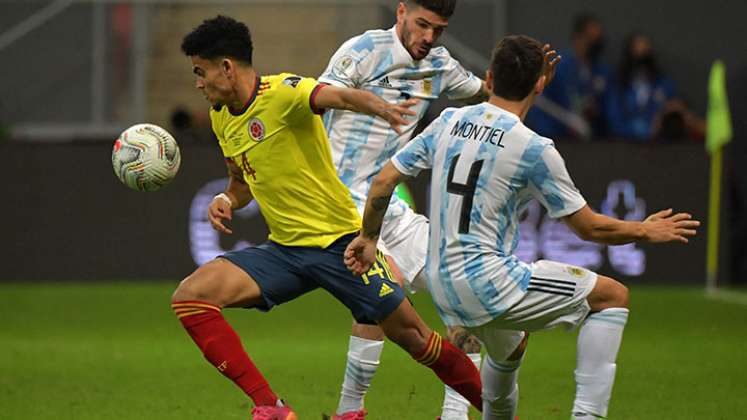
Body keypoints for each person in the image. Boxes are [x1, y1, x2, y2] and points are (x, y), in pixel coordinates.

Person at [345, 35, 700, 419]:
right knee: (611, 296)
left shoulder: (449, 120)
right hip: (489, 282)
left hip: (442, 283)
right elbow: (589, 229)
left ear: (490, 79)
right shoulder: (534, 149)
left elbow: (383, 181)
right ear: (540, 85)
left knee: (510, 349)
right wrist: (644, 230)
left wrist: (369, 237)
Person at [170, 15, 484, 420]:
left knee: (418, 340)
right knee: (191, 297)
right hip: (285, 252)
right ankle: (271, 406)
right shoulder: (221, 115)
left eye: (201, 71)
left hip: (342, 245)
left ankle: (500, 413)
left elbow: (336, 96)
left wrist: (380, 107)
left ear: (226, 67)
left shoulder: (283, 93)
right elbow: (240, 181)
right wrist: (228, 199)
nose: (198, 82)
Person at [318, 1, 555, 418]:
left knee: (463, 282)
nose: (428, 37)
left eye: (438, 30)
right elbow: (321, 97)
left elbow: (493, 98)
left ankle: (456, 414)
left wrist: (529, 82)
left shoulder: (440, 65)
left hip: (386, 205)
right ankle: (349, 411)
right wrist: (374, 103)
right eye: (422, 24)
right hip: (336, 202)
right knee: (381, 289)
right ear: (401, 12)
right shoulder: (363, 50)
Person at [525, 14, 611, 139]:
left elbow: (609, 108)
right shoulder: (558, 66)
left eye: (598, 39)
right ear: (578, 37)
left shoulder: (602, 70)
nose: (595, 44)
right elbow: (541, 105)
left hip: (592, 140)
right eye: (591, 38)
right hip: (558, 138)